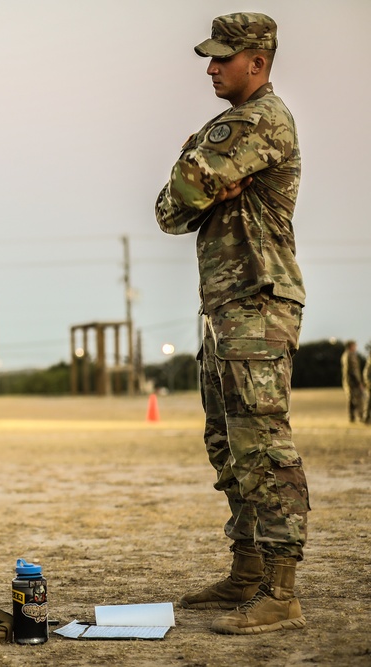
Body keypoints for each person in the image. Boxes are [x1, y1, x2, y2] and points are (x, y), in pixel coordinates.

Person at [155, 12, 310, 635]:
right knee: (227, 442)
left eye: (223, 57)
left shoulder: (260, 121)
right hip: (224, 306)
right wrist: (194, 175)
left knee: (263, 445)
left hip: (258, 305)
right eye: (209, 57)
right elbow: (172, 209)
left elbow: (188, 189)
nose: (211, 67)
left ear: (258, 60)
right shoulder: (226, 126)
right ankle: (246, 572)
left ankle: (280, 591)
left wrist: (195, 170)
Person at [341, 341, 365, 422]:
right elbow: (353, 370)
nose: (356, 347)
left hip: (347, 381)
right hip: (353, 382)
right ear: (351, 346)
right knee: (358, 399)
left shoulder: (344, 355)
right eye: (354, 346)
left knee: (351, 399)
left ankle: (352, 417)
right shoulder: (351, 355)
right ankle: (361, 417)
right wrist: (359, 382)